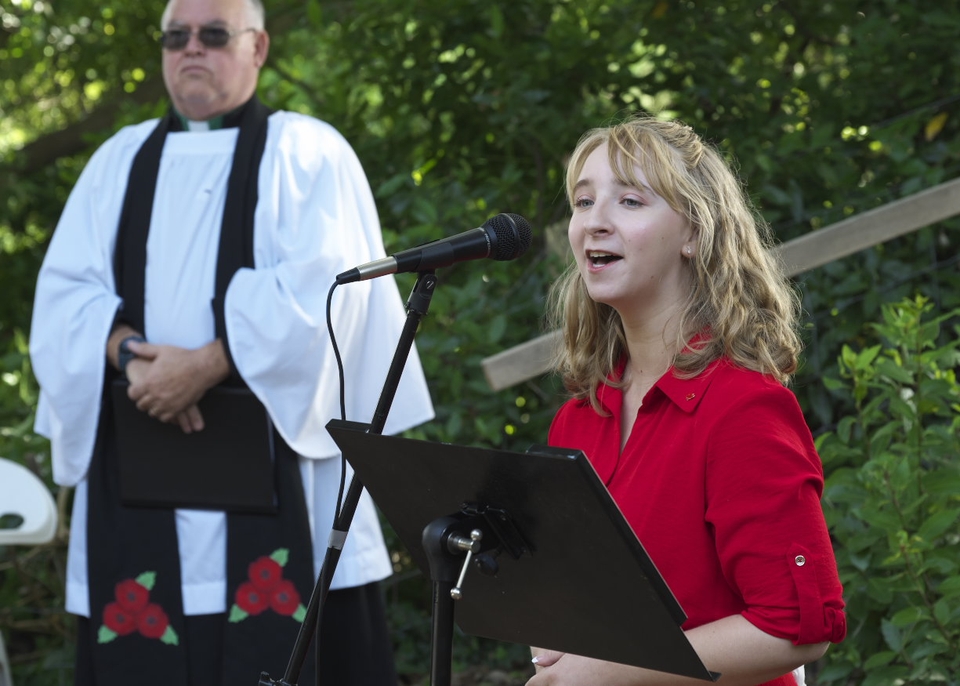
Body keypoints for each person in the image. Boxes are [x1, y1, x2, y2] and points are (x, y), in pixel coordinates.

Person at [29, 0, 434, 684]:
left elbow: (332, 298)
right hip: (142, 471)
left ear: (258, 48)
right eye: (175, 36)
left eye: (214, 35)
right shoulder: (116, 160)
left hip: (283, 485)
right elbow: (66, 297)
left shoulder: (308, 152)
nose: (192, 48)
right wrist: (135, 359)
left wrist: (208, 364)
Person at [528, 117, 846, 686]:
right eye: (582, 201)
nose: (594, 222)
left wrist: (604, 671)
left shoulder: (742, 407)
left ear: (694, 233)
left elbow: (797, 627)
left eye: (629, 200)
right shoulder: (578, 421)